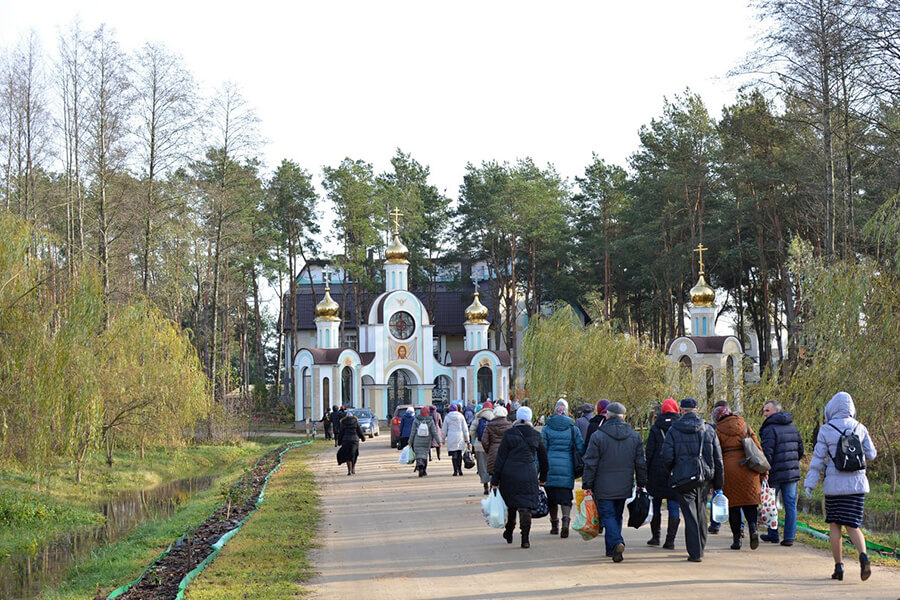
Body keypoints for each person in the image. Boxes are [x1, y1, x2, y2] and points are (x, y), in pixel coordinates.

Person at [804, 392, 877, 582]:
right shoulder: (860, 428)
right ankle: (864, 556)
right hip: (857, 485)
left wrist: (810, 484)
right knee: (853, 524)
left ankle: (839, 567)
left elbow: (818, 460)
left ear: (832, 408)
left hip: (834, 486)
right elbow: (872, 454)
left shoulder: (826, 429)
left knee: (835, 524)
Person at [582, 402, 647, 563]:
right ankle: (611, 549)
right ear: (624, 416)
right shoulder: (634, 436)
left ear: (607, 415)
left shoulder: (598, 436)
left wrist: (587, 484)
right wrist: (641, 482)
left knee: (607, 515)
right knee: (617, 515)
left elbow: (590, 462)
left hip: (602, 484)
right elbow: (640, 462)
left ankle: (617, 542)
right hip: (624, 483)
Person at [661, 397, 724, 563]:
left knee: (690, 515)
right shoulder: (709, 429)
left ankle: (695, 552)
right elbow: (718, 459)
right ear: (697, 410)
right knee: (701, 512)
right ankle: (700, 547)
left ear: (682, 410)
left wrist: (674, 470)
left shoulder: (674, 430)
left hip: (683, 478)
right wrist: (717, 484)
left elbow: (666, 456)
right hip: (704, 478)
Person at [491, 406, 549, 549]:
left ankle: (509, 531)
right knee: (526, 506)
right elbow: (544, 459)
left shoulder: (509, 434)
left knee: (511, 505)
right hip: (529, 472)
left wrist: (495, 480)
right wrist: (543, 477)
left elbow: (500, 458)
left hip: (509, 473)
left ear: (517, 417)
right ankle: (525, 539)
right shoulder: (536, 434)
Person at [713, 403, 765, 551]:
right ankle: (753, 528)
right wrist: (763, 471)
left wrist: (714, 478)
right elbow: (757, 447)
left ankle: (737, 540)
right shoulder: (745, 426)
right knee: (750, 502)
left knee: (733, 506)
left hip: (728, 469)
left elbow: (715, 453)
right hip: (748, 467)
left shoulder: (717, 430)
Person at [759, 399, 804, 546]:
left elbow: (767, 452)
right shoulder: (792, 426)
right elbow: (800, 448)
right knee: (790, 504)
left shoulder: (769, 429)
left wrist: (764, 470)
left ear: (776, 411)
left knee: (770, 502)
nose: (764, 413)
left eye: (767, 410)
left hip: (775, 472)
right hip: (791, 473)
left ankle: (773, 533)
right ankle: (789, 537)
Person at [541, 399, 585, 538]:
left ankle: (554, 525)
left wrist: (539, 470)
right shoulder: (573, 429)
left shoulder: (547, 429)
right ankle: (566, 521)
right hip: (567, 467)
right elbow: (581, 448)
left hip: (550, 467)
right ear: (566, 412)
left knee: (552, 497)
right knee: (565, 496)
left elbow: (542, 450)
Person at [645, 398, 681, 549]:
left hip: (656, 471)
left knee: (656, 504)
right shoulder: (680, 427)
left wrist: (645, 472)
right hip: (674, 470)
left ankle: (656, 537)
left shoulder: (655, 428)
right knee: (674, 505)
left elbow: (649, 452)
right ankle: (670, 540)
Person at [707, 399, 729, 534]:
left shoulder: (713, 429)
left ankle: (715, 524)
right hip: (737, 467)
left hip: (720, 465)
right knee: (739, 498)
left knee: (717, 493)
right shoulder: (740, 425)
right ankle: (741, 527)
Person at [469, 401, 495, 494]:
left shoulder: (478, 418)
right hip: (492, 446)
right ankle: (493, 484)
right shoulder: (494, 418)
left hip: (480, 446)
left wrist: (476, 438)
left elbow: (471, 431)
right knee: (492, 465)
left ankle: (485, 486)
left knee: (482, 466)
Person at [408, 406, 440, 477]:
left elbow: (413, 432)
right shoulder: (430, 420)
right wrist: (438, 441)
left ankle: (419, 465)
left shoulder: (416, 420)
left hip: (417, 440)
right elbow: (434, 432)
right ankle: (424, 470)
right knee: (425, 455)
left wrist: (410, 441)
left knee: (418, 454)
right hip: (427, 441)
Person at [482, 404, 512, 477]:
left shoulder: (489, 426)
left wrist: (489, 450)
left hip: (493, 453)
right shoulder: (510, 426)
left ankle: (494, 487)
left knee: (494, 476)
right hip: (507, 454)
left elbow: (484, 441)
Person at [442, 404, 471, 476]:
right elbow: (465, 429)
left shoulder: (447, 417)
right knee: (459, 453)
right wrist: (467, 439)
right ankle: (460, 469)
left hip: (451, 436)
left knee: (453, 454)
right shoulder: (461, 416)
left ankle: (455, 470)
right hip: (460, 436)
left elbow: (444, 429)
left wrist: (443, 438)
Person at [336, 409, 366, 475]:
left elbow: (341, 433)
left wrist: (339, 442)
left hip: (346, 440)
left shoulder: (343, 423)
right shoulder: (356, 422)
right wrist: (363, 438)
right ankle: (353, 468)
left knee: (347, 455)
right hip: (354, 440)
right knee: (354, 454)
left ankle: (349, 470)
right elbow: (359, 431)